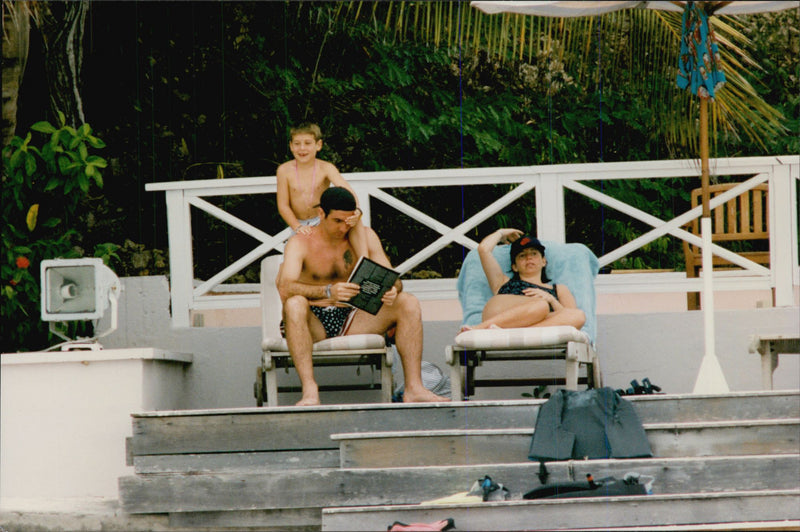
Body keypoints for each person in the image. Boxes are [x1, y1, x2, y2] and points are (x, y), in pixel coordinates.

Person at [278, 186, 450, 406]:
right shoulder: (301, 242)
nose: (343, 228)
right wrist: (328, 291)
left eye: (348, 221)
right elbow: (285, 287)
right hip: (313, 322)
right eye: (337, 221)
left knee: (408, 302)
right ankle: (310, 390)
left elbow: (394, 278)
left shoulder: (364, 236)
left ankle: (414, 387)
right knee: (294, 304)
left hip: (353, 316)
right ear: (321, 214)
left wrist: (392, 290)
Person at [463, 228, 585, 331]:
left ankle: (521, 332)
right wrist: (501, 233)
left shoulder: (559, 289)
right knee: (540, 305)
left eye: (534, 254)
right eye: (522, 256)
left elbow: (571, 320)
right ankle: (480, 328)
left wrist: (551, 300)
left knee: (579, 315)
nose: (528, 258)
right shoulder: (503, 282)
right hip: (498, 313)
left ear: (544, 261)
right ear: (514, 267)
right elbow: (483, 250)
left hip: (524, 327)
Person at [276, 122, 367, 258]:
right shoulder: (284, 170)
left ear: (318, 145)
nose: (302, 148)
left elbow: (347, 191)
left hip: (322, 220)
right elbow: (283, 205)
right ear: (291, 146)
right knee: (300, 253)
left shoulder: (326, 168)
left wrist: (358, 211)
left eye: (307, 143)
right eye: (297, 144)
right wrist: (298, 227)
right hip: (298, 223)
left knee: (357, 222)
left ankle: (364, 261)